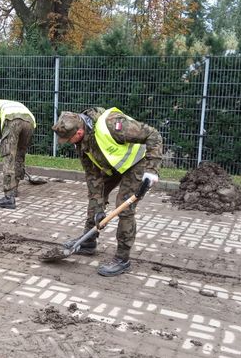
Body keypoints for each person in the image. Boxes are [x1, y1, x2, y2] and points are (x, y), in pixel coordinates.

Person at [51, 107, 163, 276]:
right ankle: (88, 242)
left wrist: (152, 169)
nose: (67, 142)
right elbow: (93, 178)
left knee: (124, 207)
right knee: (96, 197)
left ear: (79, 132)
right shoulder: (81, 143)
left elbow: (153, 135)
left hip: (136, 165)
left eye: (68, 139)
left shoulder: (111, 124)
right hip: (114, 167)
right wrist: (97, 209)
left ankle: (122, 259)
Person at [0, 99, 37, 209]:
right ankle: (15, 189)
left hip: (13, 122)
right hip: (30, 123)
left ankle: (9, 197)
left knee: (9, 156)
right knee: (20, 155)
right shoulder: (14, 104)